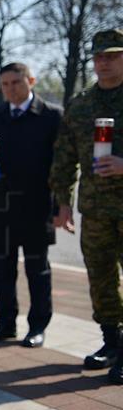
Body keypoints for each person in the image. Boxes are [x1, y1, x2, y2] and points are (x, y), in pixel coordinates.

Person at [0, 63, 62, 348]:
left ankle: (37, 326)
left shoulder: (51, 117)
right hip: (1, 204)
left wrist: (61, 206)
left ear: (31, 80)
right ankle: (6, 323)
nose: (10, 89)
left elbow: (63, 166)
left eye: (16, 82)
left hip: (37, 205)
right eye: (5, 84)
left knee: (37, 268)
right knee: (2, 268)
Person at [51, 29, 123, 385]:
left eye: (111, 55)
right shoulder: (80, 105)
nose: (103, 62)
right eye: (98, 57)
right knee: (101, 276)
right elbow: (64, 158)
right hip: (95, 209)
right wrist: (62, 202)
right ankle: (112, 342)